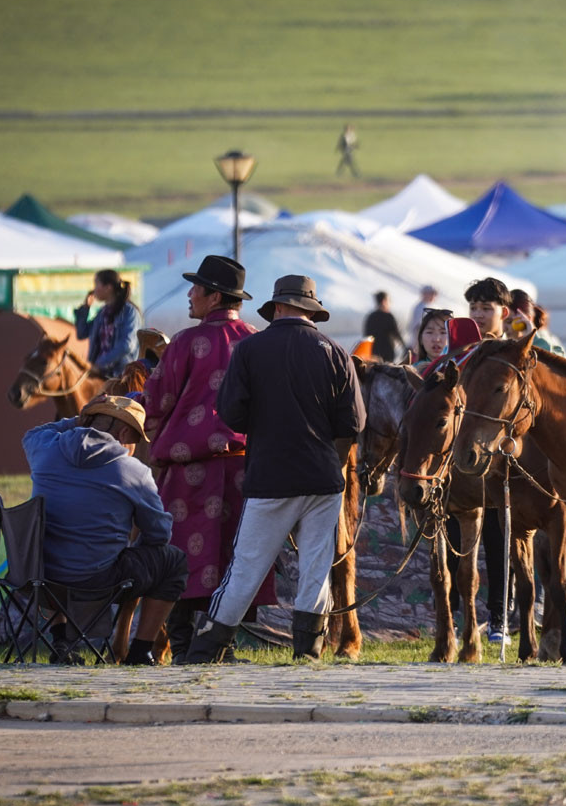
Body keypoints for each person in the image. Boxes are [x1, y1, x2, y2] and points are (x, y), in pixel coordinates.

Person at [183, 274, 366, 663]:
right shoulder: (336, 352)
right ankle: (308, 653)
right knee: (316, 568)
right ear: (310, 311)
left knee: (246, 566)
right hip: (323, 478)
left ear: (277, 307)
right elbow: (352, 424)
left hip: (270, 475)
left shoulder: (250, 350)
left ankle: (207, 648)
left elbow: (231, 414)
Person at [143, 255, 274, 663]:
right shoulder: (257, 341)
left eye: (195, 288)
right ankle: (220, 646)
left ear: (213, 296)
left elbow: (158, 401)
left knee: (182, 555)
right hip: (242, 469)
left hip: (187, 470)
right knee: (233, 556)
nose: (189, 294)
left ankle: (183, 647)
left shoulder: (183, 343)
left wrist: (159, 434)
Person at [23, 395, 188, 666]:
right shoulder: (132, 470)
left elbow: (33, 432)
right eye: (134, 438)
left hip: (39, 578)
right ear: (124, 433)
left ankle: (61, 641)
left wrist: (79, 419)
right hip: (98, 583)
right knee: (173, 562)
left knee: (54, 552)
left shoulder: (44, 450)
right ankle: (140, 651)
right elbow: (160, 535)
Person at [460, 277, 515, 644]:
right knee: (458, 547)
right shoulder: (462, 353)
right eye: (474, 309)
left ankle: (499, 620)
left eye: (486, 309)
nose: (479, 315)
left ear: (504, 313)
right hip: (463, 464)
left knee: (499, 545)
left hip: (503, 466)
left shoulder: (514, 355)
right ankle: (459, 619)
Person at [74, 269, 141, 379]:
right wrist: (85, 309)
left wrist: (100, 363)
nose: (94, 289)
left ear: (108, 287)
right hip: (99, 374)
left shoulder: (129, 312)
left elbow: (127, 345)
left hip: (121, 375)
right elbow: (82, 333)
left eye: (96, 284)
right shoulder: (102, 313)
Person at [508, 289, 566, 357]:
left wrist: (532, 339)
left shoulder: (546, 340)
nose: (503, 327)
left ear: (525, 321)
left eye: (508, 322)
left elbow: (559, 361)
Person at [363, 291, 404, 362]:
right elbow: (396, 333)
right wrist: (404, 346)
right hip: (387, 354)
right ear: (384, 301)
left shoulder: (371, 317)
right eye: (388, 301)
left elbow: (366, 337)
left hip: (374, 355)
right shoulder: (388, 316)